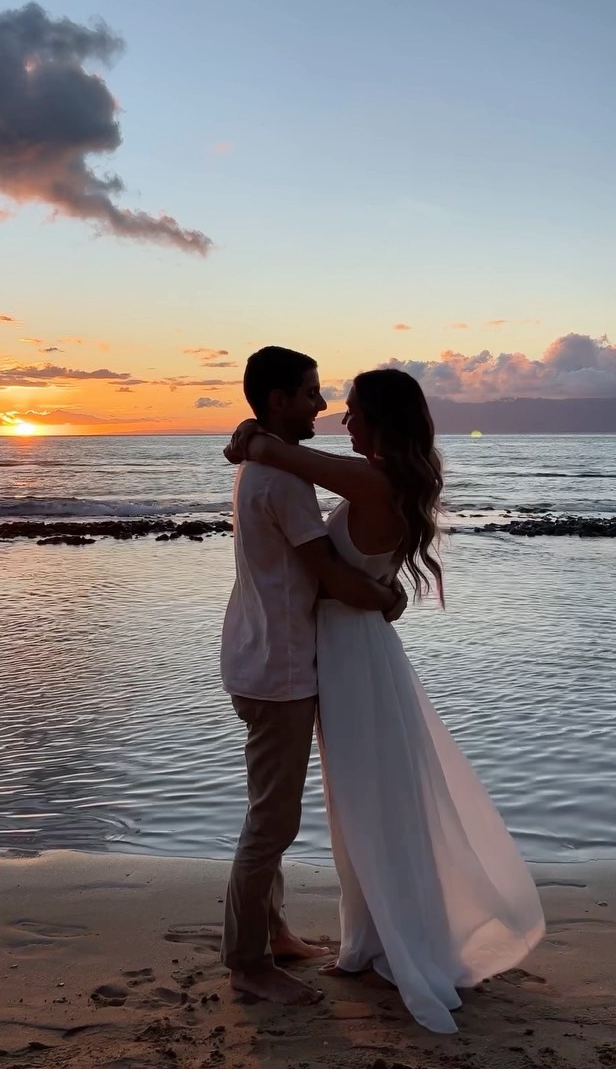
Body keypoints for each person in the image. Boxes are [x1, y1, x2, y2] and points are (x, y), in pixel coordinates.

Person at [225, 366, 545, 1033]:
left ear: (380, 420)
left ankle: (368, 937)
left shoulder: (369, 480)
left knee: (366, 801)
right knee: (359, 801)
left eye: (352, 410)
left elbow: (317, 545)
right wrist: (383, 593)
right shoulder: (380, 477)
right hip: (347, 654)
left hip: (349, 658)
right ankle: (346, 936)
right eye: (326, 401)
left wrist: (253, 436)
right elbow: (322, 535)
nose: (339, 417)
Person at [220, 347, 406, 1006]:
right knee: (272, 823)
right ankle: (247, 962)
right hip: (280, 670)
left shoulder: (263, 467)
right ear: (277, 402)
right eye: (309, 393)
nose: (321, 406)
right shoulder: (284, 482)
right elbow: (327, 573)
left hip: (260, 657)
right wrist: (387, 597)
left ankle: (272, 935)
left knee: (266, 812)